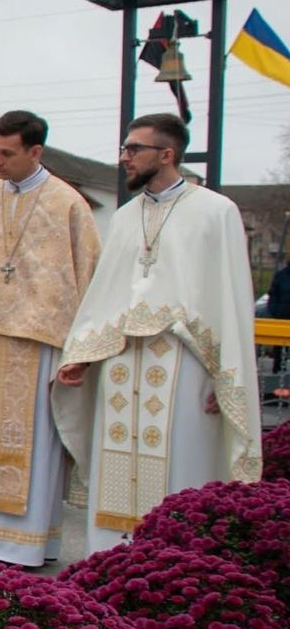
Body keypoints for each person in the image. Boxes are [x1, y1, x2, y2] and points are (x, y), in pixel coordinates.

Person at [53, 113, 261, 553]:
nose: (124, 157)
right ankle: (107, 559)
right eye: (124, 148)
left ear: (166, 154)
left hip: (183, 362)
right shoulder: (126, 217)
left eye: (134, 149)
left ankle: (173, 565)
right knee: (116, 468)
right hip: (121, 361)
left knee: (180, 464)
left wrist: (226, 377)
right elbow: (105, 292)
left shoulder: (216, 211)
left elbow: (229, 299)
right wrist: (82, 352)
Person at [0, 112, 100, 567]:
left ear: (35, 151)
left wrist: (82, 349)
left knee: (30, 442)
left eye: (7, 154)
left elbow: (87, 275)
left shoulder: (68, 204)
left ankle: (22, 544)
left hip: (39, 341)